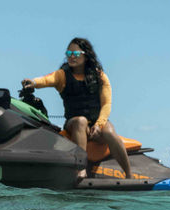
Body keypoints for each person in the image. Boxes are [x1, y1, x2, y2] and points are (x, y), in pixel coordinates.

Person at [21, 37, 133, 180]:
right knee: (81, 121)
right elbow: (46, 79)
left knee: (110, 132)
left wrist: (99, 125)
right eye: (69, 54)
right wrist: (33, 82)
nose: (72, 57)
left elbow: (106, 104)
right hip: (74, 124)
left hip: (97, 123)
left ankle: (129, 175)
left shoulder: (100, 76)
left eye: (76, 54)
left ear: (86, 55)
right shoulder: (62, 75)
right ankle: (81, 170)